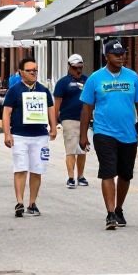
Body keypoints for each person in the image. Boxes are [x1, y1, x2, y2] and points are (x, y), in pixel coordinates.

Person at [80, 39, 138, 230]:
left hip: (128, 133)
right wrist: (83, 135)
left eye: (122, 53)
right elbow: (86, 109)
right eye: (116, 54)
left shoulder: (132, 77)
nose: (120, 57)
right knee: (108, 171)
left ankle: (119, 209)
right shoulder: (95, 78)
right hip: (103, 132)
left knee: (125, 174)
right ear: (106, 56)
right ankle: (110, 213)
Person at [2, 57, 56, 217]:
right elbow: (6, 113)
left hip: (40, 136)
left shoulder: (43, 90)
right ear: (21, 72)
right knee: (20, 168)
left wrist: (53, 127)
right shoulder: (14, 90)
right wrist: (7, 133)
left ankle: (32, 203)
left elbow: (51, 109)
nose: (33, 73)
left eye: (35, 70)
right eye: (29, 70)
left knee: (37, 170)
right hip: (19, 135)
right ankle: (19, 202)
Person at [53, 53, 90, 189]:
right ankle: (71, 177)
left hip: (85, 119)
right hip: (69, 119)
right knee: (71, 149)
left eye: (80, 67)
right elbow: (57, 104)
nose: (78, 70)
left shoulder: (87, 80)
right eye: (75, 68)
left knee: (82, 149)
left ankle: (81, 176)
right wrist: (53, 122)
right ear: (69, 67)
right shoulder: (63, 83)